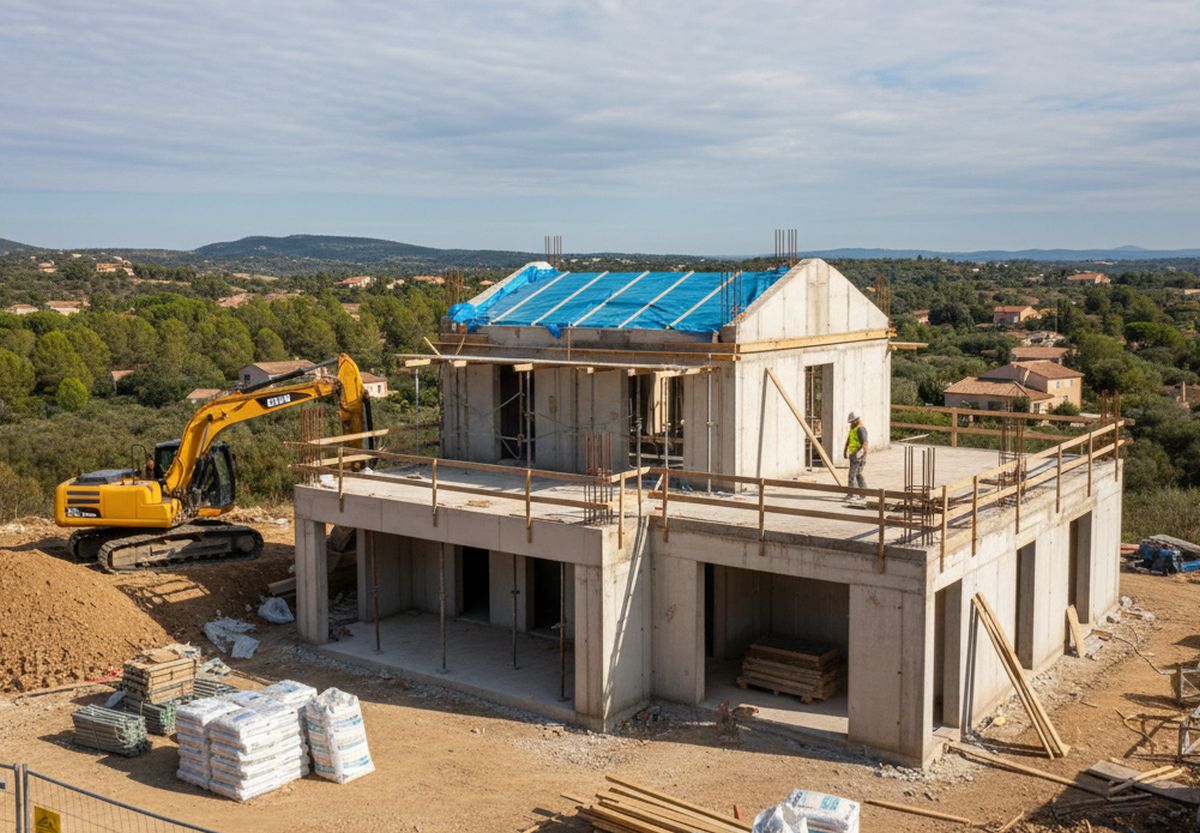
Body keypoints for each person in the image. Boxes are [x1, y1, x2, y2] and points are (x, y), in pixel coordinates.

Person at [843, 411, 868, 503]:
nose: (851, 423)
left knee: (852, 475)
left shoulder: (861, 429)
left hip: (858, 456)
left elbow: (865, 443)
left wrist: (863, 455)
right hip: (853, 454)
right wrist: (845, 450)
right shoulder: (853, 429)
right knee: (857, 474)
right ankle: (863, 493)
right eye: (850, 422)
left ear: (857, 420)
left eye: (852, 421)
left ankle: (852, 495)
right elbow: (849, 440)